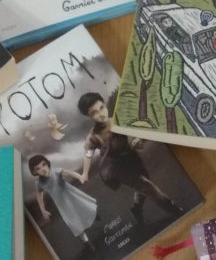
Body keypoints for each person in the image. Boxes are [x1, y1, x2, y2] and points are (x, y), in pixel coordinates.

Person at [71, 92, 183, 224]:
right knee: (148, 187)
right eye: (94, 113)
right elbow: (88, 154)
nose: (101, 114)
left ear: (104, 104)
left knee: (142, 186)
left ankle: (136, 208)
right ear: (88, 116)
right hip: (120, 168)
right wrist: (84, 173)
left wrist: (139, 138)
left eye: (101, 108)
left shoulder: (117, 119)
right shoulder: (94, 136)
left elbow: (137, 130)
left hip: (133, 158)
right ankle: (176, 210)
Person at [28, 154, 100, 250]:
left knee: (86, 208)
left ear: (47, 164)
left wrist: (80, 177)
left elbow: (69, 173)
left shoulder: (55, 172)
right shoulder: (39, 183)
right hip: (63, 205)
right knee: (74, 223)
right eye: (38, 168)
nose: (43, 169)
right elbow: (39, 195)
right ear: (34, 172)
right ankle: (86, 242)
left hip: (72, 196)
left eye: (43, 164)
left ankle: (94, 215)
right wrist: (43, 210)